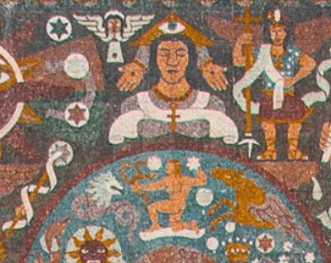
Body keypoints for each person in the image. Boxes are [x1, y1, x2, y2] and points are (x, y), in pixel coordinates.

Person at [109, 35, 238, 144]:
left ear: (190, 59)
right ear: (154, 59)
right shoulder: (136, 104)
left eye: (180, 54)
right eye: (164, 54)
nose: (172, 61)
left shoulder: (210, 104)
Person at [233, 10, 318, 160]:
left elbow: (310, 63)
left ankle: (293, 150)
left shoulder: (292, 51)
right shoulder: (263, 52)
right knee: (268, 123)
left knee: (295, 122)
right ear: (269, 32)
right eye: (274, 31)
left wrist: (295, 79)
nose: (277, 35)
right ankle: (270, 151)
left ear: (286, 33)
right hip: (269, 94)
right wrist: (240, 43)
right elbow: (239, 61)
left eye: (281, 31)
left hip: (288, 94)